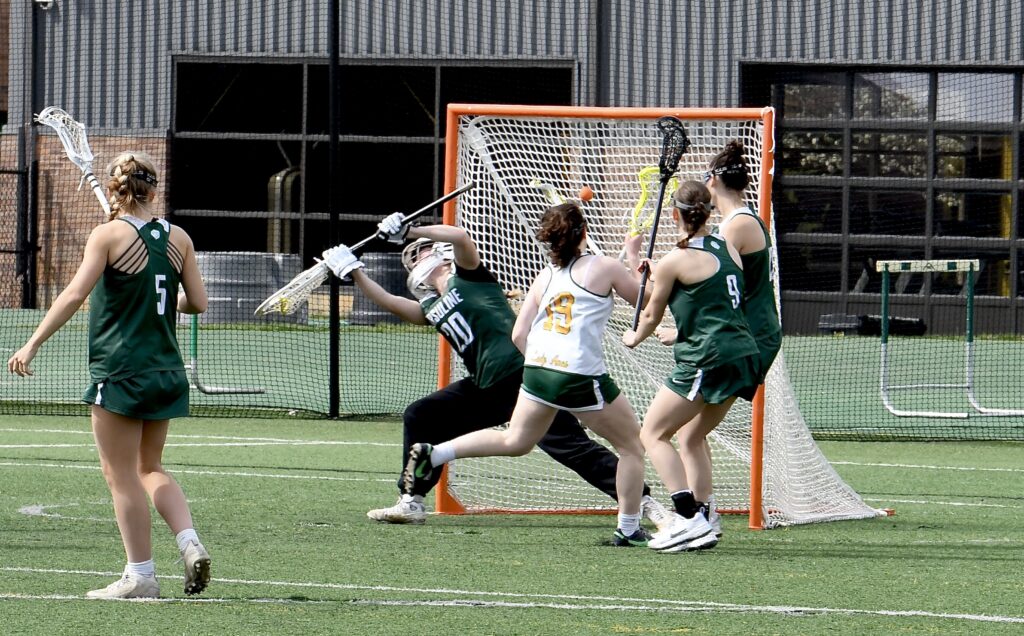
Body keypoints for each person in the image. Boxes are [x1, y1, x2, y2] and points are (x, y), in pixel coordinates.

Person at [321, 213, 669, 534]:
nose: (418, 256)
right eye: (413, 254)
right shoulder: (429, 306)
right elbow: (388, 301)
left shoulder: (470, 276)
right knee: (421, 415)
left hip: (521, 374)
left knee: (570, 447)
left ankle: (645, 504)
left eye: (423, 249)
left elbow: (460, 236)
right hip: (487, 385)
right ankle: (411, 500)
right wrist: (355, 272)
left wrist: (411, 230)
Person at [7, 152, 212, 599]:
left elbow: (74, 294)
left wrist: (32, 342)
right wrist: (159, 298)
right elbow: (197, 302)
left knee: (120, 475)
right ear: (153, 189)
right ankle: (189, 541)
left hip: (121, 370)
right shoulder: (178, 237)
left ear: (117, 190)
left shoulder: (106, 235)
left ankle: (141, 575)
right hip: (165, 371)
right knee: (150, 467)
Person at [398, 202, 653, 546]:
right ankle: (629, 527)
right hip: (578, 371)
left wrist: (538, 366)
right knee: (631, 447)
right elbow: (647, 301)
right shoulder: (605, 265)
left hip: (535, 371)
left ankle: (437, 453)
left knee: (515, 441)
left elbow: (520, 334)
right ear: (583, 232)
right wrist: (636, 261)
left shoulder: (544, 276)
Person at [652, 142, 784, 537]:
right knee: (691, 435)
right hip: (746, 333)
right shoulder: (737, 222)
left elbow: (718, 295)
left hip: (745, 336)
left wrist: (679, 330)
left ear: (712, 181)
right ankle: (704, 513)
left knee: (670, 433)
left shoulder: (732, 228)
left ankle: (694, 516)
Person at [622, 180, 761, 553]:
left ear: (674, 215)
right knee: (691, 436)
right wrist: (655, 271)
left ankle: (687, 519)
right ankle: (706, 516)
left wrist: (634, 337)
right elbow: (705, 287)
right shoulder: (726, 246)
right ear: (708, 212)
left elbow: (651, 313)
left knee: (652, 434)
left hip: (708, 358)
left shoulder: (674, 261)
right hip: (743, 356)